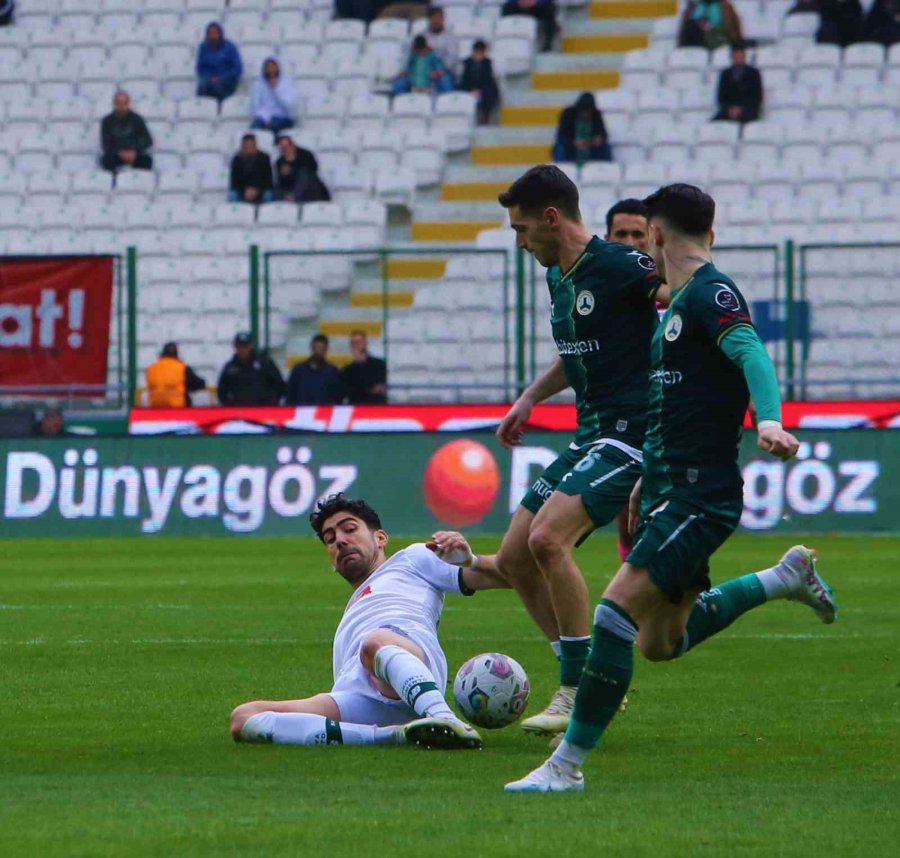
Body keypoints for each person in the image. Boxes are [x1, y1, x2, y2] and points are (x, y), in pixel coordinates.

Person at [505, 183, 838, 793]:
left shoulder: (711, 294)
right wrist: (644, 482)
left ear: (655, 235)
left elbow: (752, 352)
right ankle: (782, 578)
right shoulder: (679, 303)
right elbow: (669, 403)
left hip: (699, 496)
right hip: (664, 489)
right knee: (662, 642)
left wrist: (769, 419)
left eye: (642, 237)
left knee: (612, 616)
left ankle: (565, 766)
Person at [462, 168, 666, 741]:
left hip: (634, 434)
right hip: (591, 431)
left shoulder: (622, 266)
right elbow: (575, 355)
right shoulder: (559, 275)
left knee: (547, 539)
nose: (520, 241)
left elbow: (684, 300)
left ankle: (578, 686)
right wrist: (529, 396)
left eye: (523, 229)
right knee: (515, 558)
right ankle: (588, 679)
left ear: (552, 218)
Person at [230, 493, 507, 749]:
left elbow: (505, 575)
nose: (339, 540)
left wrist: (470, 560)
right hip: (358, 697)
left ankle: (444, 717)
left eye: (349, 529)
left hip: (404, 661)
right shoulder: (349, 617)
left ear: (381, 538)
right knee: (244, 718)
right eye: (330, 538)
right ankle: (394, 735)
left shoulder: (411, 560)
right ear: (331, 561)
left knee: (374, 642)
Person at [217, 332, 286, 406]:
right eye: (239, 346)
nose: (242, 349)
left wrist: (271, 404)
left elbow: (279, 385)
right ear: (235, 347)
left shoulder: (264, 363)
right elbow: (222, 392)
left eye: (245, 346)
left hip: (263, 411)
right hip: (238, 412)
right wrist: (231, 407)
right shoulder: (230, 368)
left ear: (251, 346)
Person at [100, 90, 153, 173]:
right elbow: (106, 144)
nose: (121, 106)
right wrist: (120, 153)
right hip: (116, 154)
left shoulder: (137, 119)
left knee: (147, 160)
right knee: (106, 160)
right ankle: (113, 183)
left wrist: (134, 151)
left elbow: (148, 141)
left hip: (134, 154)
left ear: (128, 104)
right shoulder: (106, 121)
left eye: (124, 103)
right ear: (114, 104)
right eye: (118, 103)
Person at [553, 92, 611, 165]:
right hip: (571, 149)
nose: (585, 114)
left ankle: (605, 170)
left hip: (590, 148)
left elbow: (604, 134)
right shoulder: (568, 114)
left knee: (606, 147)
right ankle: (561, 168)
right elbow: (561, 136)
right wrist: (574, 142)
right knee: (560, 147)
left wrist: (598, 139)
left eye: (588, 111)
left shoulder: (596, 115)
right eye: (583, 110)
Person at [285, 334, 344, 405]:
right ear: (311, 347)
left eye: (322, 348)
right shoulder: (298, 370)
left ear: (326, 349)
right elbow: (290, 395)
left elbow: (338, 397)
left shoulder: (332, 371)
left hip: (324, 414)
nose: (319, 351)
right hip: (302, 413)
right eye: (317, 347)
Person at [713, 42, 763, 124]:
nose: (738, 56)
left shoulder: (753, 73)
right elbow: (721, 97)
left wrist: (741, 108)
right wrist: (730, 108)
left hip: (748, 110)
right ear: (732, 56)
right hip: (728, 110)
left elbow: (757, 96)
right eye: (736, 53)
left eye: (741, 53)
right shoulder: (725, 74)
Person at [145, 342, 206, 408]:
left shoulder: (151, 369)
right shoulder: (182, 368)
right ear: (176, 354)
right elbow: (199, 384)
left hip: (155, 409)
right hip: (178, 409)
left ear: (162, 353)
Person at [274, 134, 330, 203]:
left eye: (286, 147)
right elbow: (281, 182)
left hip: (311, 190)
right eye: (282, 148)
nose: (285, 150)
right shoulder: (280, 162)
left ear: (293, 145)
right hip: (290, 190)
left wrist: (293, 164)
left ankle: (293, 197)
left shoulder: (306, 155)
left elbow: (312, 171)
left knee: (304, 173)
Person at [196, 21, 243, 103]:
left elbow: (237, 68)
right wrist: (209, 78)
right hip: (209, 81)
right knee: (202, 87)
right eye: (210, 33)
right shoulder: (203, 48)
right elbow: (200, 68)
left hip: (226, 82)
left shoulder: (230, 47)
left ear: (220, 34)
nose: (213, 36)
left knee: (217, 87)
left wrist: (221, 78)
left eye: (215, 33)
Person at [250, 57, 295, 138]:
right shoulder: (259, 84)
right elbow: (255, 105)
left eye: (273, 67)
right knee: (254, 129)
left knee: (274, 126)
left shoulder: (286, 83)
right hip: (264, 118)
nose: (271, 70)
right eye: (268, 67)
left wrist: (276, 90)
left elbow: (289, 106)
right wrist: (265, 119)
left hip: (283, 117)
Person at [458, 40, 500, 126]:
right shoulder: (467, 63)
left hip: (483, 88)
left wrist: (479, 90)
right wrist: (471, 90)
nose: (478, 54)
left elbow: (488, 79)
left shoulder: (487, 63)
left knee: (491, 89)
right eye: (477, 52)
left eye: (481, 52)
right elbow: (464, 79)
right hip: (469, 87)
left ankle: (485, 115)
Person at [341, 330, 387, 404]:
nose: (355, 345)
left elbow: (378, 389)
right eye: (353, 343)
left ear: (365, 343)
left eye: (358, 342)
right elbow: (348, 392)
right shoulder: (347, 370)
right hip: (356, 409)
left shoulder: (378, 365)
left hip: (374, 408)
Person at [228, 134, 274, 204]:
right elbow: (234, 182)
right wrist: (245, 190)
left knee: (268, 195)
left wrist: (256, 190)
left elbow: (268, 180)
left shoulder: (264, 158)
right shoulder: (237, 160)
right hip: (243, 190)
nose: (250, 148)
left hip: (260, 190)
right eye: (247, 146)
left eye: (252, 145)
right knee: (232, 195)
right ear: (243, 147)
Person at [679, 0, 743, 49]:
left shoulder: (725, 6)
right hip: (698, 40)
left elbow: (734, 29)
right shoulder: (694, 6)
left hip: (718, 38)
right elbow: (685, 28)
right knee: (690, 24)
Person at [424, 6, 459, 79]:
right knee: (400, 83)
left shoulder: (450, 37)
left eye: (439, 18)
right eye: (433, 18)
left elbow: (452, 58)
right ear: (429, 19)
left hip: (445, 71)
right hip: (425, 70)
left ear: (443, 19)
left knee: (444, 81)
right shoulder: (422, 36)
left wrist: (439, 70)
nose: (436, 21)